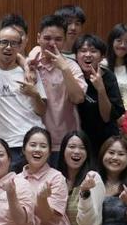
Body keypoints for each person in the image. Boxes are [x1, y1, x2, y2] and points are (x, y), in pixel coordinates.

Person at [0, 20, 46, 172]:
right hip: (1, 146)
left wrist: (35, 94)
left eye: (14, 43)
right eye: (4, 42)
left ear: (20, 47)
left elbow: (41, 111)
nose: (8, 47)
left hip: (29, 143)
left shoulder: (30, 73)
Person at [32, 14, 86, 164]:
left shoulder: (72, 66)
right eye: (47, 38)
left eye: (58, 39)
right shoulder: (30, 63)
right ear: (38, 38)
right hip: (35, 143)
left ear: (64, 41)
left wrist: (64, 68)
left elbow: (78, 98)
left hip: (64, 142)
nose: (52, 43)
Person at [72, 34, 124, 156]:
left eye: (93, 51)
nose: (88, 55)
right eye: (83, 51)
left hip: (106, 140)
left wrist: (100, 89)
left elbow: (106, 117)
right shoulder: (73, 76)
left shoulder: (108, 77)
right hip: (80, 140)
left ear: (101, 57)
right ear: (76, 56)